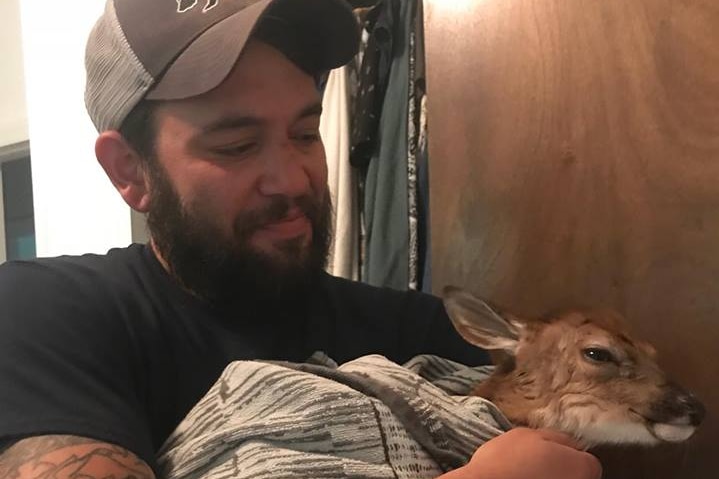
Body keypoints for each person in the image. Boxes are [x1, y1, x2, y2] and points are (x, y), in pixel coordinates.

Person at [0, 1, 601, 478]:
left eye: (306, 132)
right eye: (236, 146)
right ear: (130, 170)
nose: (293, 179)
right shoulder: (48, 317)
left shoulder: (422, 334)